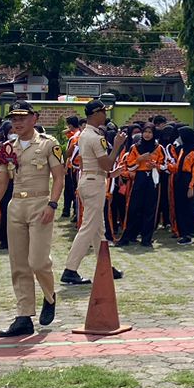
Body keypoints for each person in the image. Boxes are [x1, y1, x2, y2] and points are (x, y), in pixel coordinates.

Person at [0, 103, 65, 338]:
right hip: (16, 206)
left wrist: (53, 203)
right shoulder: (7, 148)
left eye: (22, 118)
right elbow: (1, 182)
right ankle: (23, 316)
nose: (17, 122)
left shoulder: (49, 144)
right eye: (14, 118)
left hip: (40, 204)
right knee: (18, 264)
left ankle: (49, 296)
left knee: (38, 261)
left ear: (34, 118)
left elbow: (59, 177)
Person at [62, 101, 125, 284]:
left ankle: (105, 265)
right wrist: (118, 144)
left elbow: (94, 164)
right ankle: (70, 269)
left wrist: (110, 173)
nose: (105, 116)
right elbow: (106, 163)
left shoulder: (85, 134)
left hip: (90, 179)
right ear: (96, 113)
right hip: (93, 183)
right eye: (104, 112)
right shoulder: (95, 137)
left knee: (99, 229)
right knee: (90, 226)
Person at [116, 125, 163, 247]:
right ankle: (128, 236)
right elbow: (130, 166)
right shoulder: (135, 147)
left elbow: (164, 165)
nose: (147, 135)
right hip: (139, 178)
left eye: (150, 132)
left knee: (150, 209)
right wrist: (140, 159)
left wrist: (156, 166)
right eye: (145, 132)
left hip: (152, 179)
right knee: (133, 208)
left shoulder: (158, 148)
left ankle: (146, 238)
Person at [171, 126, 194, 244]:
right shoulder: (182, 149)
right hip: (179, 180)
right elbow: (178, 166)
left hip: (189, 181)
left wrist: (192, 187)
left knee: (193, 209)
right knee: (180, 208)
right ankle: (185, 234)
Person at [62, 114, 85, 224]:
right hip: (75, 167)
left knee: (72, 191)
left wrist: (66, 166)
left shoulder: (75, 138)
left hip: (75, 168)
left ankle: (75, 212)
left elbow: (68, 154)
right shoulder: (75, 136)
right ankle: (75, 212)